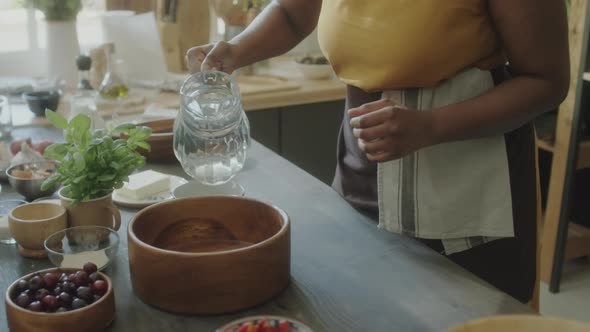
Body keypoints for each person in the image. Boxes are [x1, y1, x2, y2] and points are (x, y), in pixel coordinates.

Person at [186, 0, 569, 303]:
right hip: (360, 175)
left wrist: (431, 126)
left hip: (469, 198)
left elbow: (546, 80)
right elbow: (291, 12)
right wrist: (236, 51)